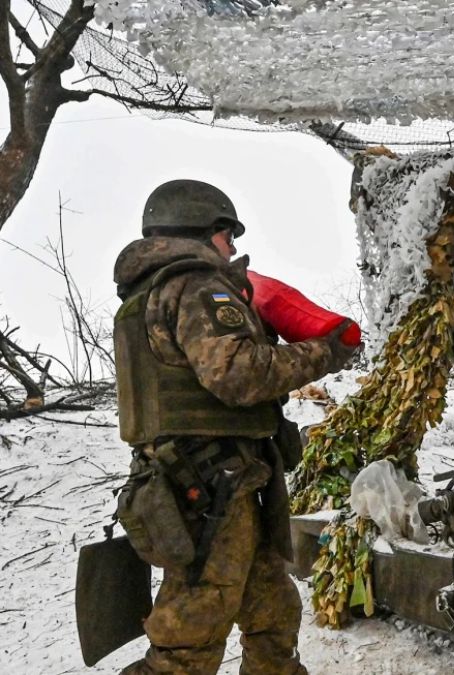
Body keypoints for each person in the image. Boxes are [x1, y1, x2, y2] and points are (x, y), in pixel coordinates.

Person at [112, 179, 357, 674]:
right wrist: (326, 352)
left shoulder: (148, 294)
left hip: (216, 479)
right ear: (203, 229)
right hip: (210, 484)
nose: (233, 247)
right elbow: (238, 374)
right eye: (228, 235)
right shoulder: (198, 285)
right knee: (192, 629)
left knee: (271, 610)